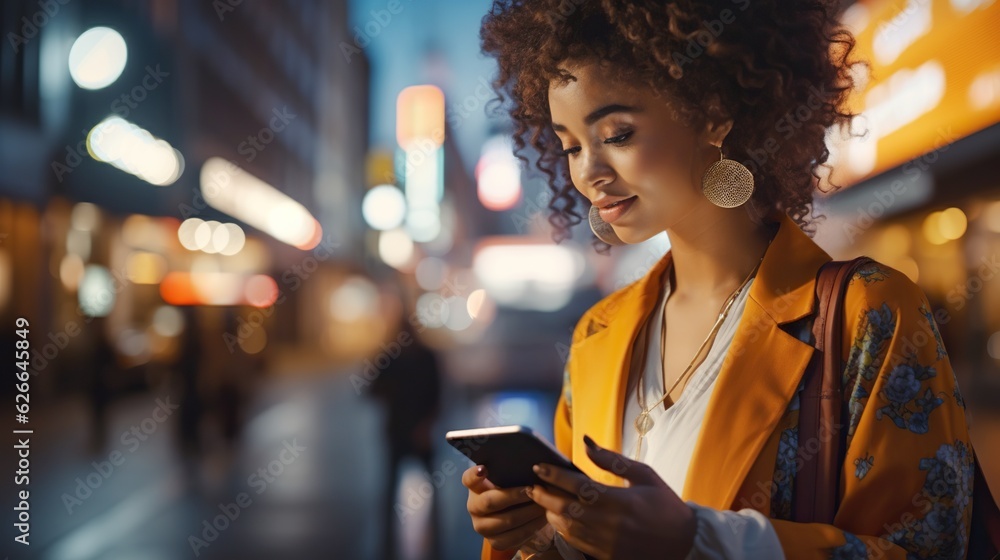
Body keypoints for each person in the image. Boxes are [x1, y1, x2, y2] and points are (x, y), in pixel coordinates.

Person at [464, 1, 975, 559]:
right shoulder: (597, 335)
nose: (589, 171)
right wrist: (540, 539)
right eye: (570, 145)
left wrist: (696, 539)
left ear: (714, 113)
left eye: (617, 133)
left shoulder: (870, 313)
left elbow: (929, 549)